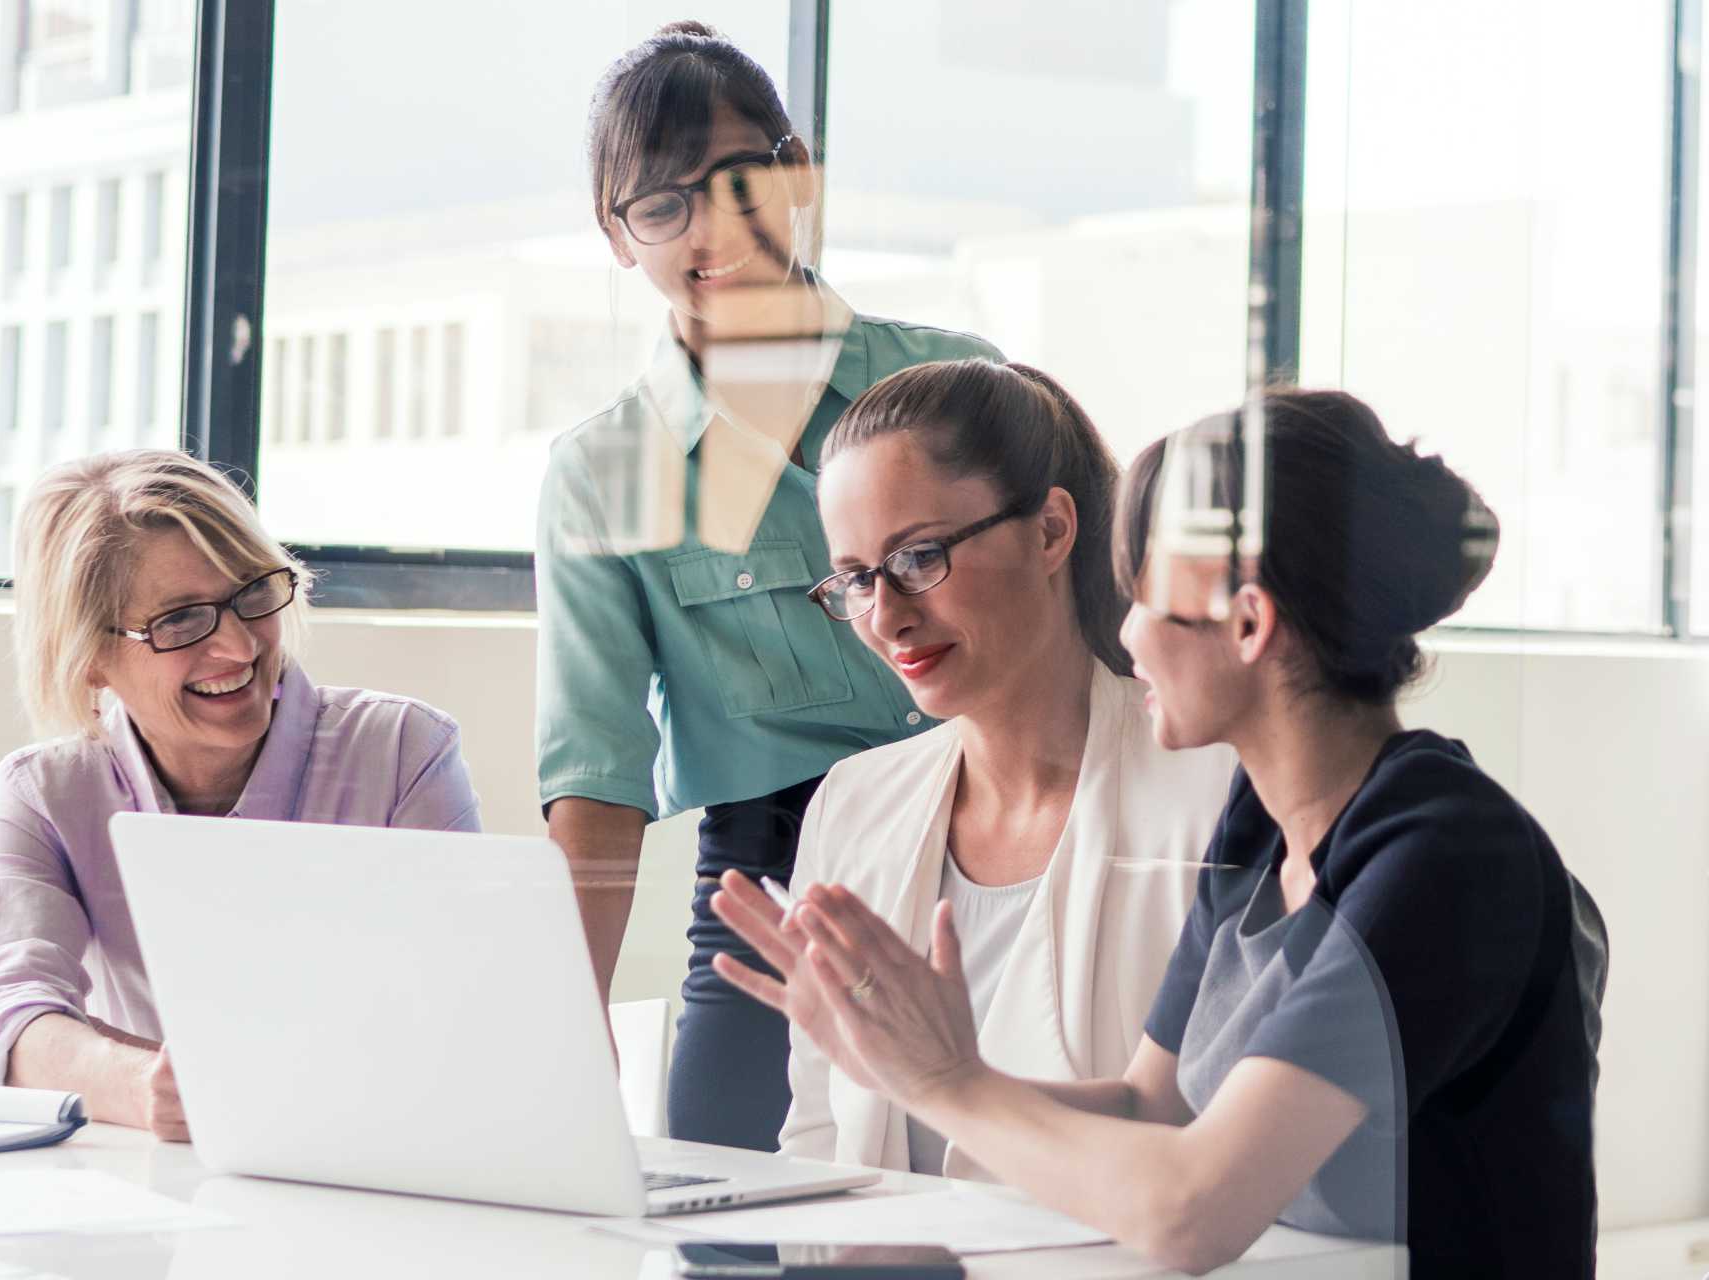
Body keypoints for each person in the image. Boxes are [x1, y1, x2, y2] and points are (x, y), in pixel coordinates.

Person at [713, 389, 1607, 1276]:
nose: (1126, 630)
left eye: (1144, 594)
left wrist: (947, 1083)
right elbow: (1149, 1107)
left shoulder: (1443, 854)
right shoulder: (1265, 823)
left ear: (1250, 624)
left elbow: (1192, 1209)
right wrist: (905, 1057)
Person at [536, 20, 1001, 1150]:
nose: (713, 227)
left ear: (796, 175)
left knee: (1006, 1194)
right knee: (718, 1189)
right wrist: (562, 1016)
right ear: (617, 234)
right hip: (771, 873)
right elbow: (596, 774)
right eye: (662, 205)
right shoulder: (604, 473)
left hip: (994, 835)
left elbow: (1088, 640)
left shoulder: (956, 385)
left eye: (743, 180)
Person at [753, 358, 1235, 1177]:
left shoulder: (1214, 798)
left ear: (1050, 530)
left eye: (919, 558)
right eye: (857, 579)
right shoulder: (856, 803)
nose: (888, 617)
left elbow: (1225, 1158)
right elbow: (819, 1141)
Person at [0, 450, 482, 1139]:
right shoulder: (45, 794)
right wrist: (143, 1088)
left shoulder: (404, 751)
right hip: (151, 1180)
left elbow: (458, 1009)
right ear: (90, 660)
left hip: (377, 1155)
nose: (237, 647)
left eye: (252, 595)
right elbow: (0, 1015)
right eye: (180, 620)